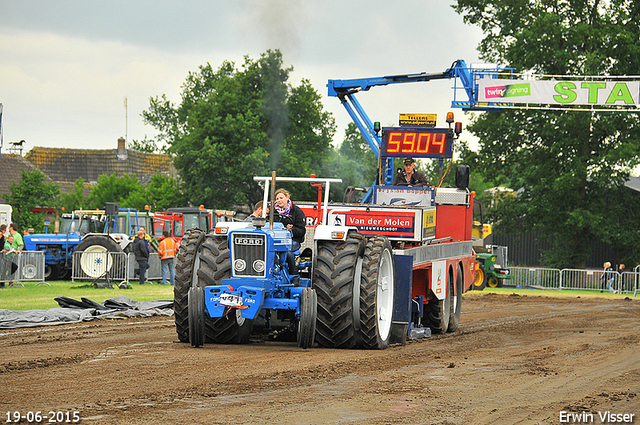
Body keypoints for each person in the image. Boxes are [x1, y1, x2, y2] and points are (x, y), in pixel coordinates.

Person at [273, 188, 306, 286]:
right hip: (276, 240)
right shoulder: (272, 212)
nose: (279, 200)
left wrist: (291, 229)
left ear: (287, 197)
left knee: (286, 251)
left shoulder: (296, 211)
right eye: (277, 198)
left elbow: (302, 231)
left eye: (281, 198)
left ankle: (294, 274)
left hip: (292, 239)